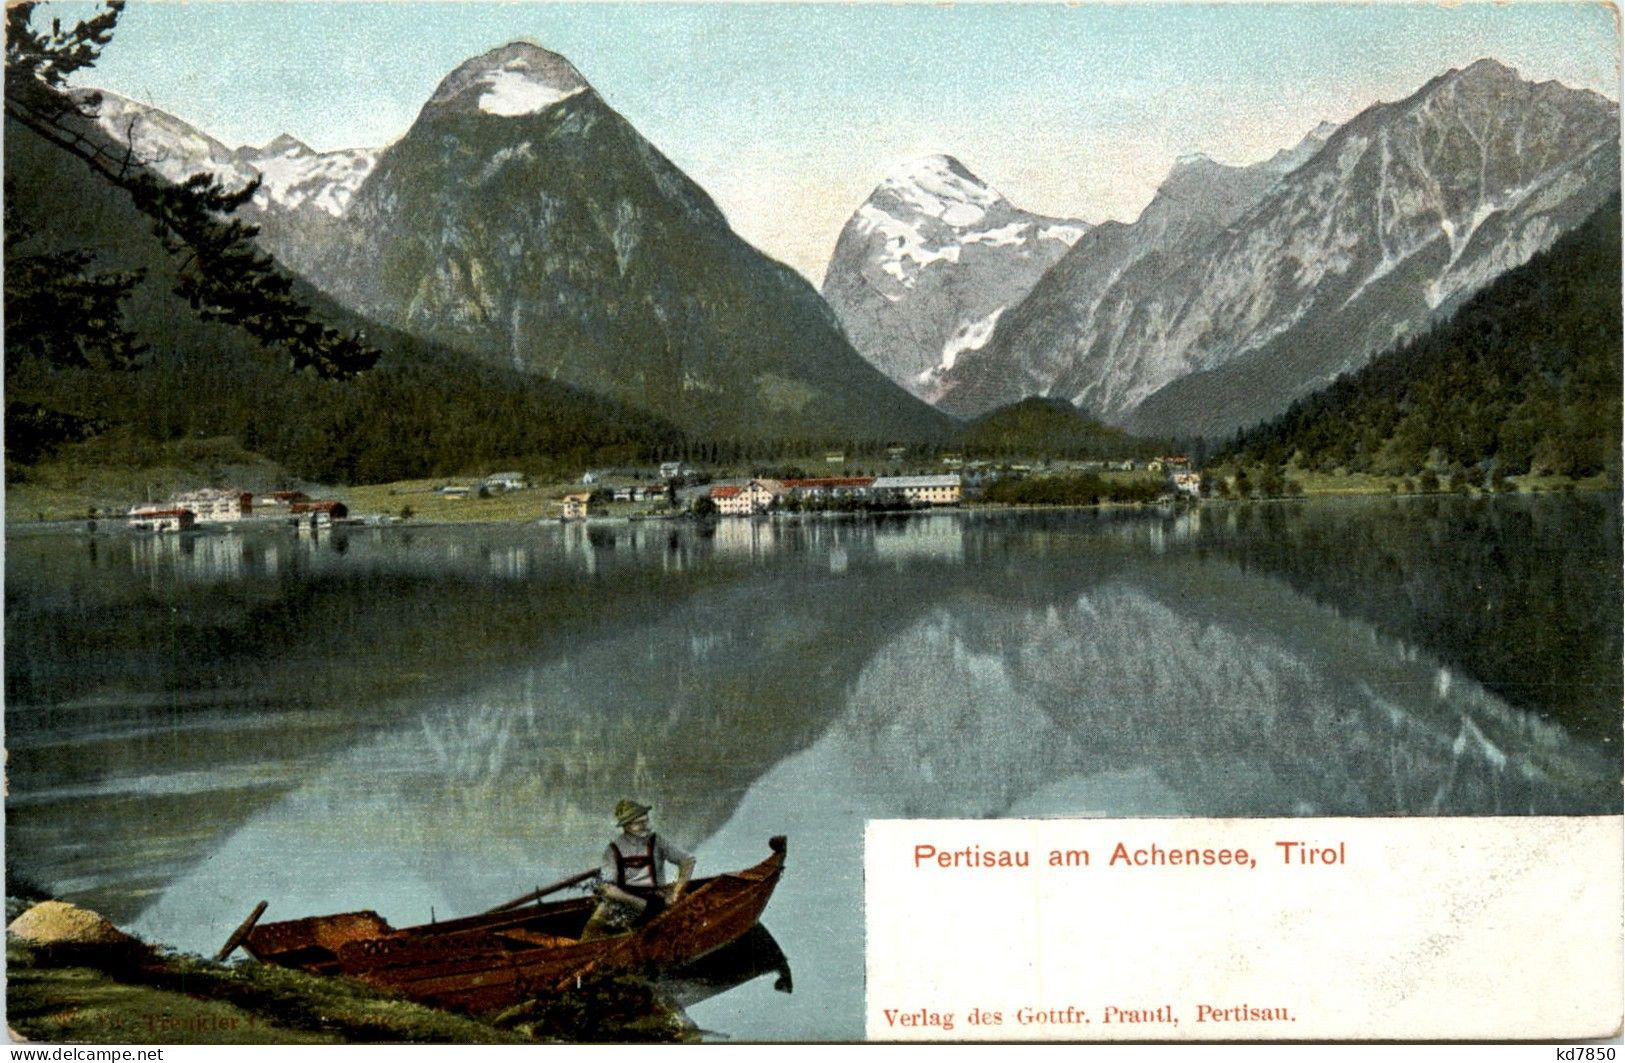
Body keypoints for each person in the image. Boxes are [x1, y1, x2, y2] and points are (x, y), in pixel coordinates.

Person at [580, 799, 696, 940]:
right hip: (625, 900)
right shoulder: (614, 849)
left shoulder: (656, 841)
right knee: (592, 929)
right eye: (639, 823)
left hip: (656, 899)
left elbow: (688, 860)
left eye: (646, 821)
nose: (645, 826)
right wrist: (638, 903)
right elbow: (607, 887)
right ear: (626, 825)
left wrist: (677, 892)